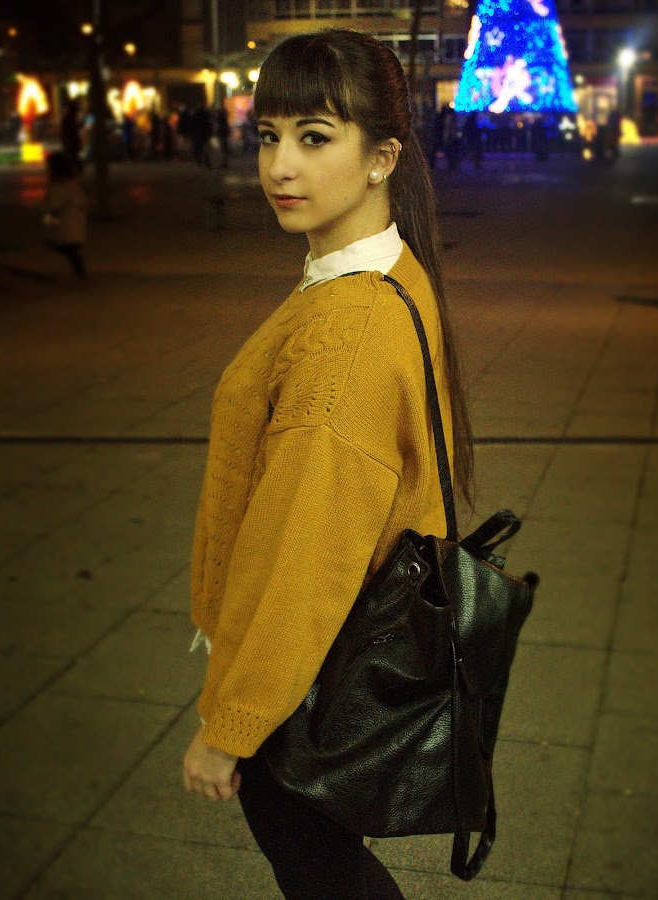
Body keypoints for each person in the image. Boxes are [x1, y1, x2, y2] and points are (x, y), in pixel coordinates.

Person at [182, 29, 474, 899]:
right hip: (345, 661)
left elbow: (301, 559)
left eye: (315, 137)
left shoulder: (345, 335)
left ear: (383, 157)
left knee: (324, 875)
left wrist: (231, 724)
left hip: (308, 684)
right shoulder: (381, 275)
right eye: (268, 134)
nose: (281, 166)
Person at [42, 150, 87, 279]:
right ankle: (80, 272)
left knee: (64, 246)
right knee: (71, 249)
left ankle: (80, 272)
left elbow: (54, 205)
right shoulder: (73, 182)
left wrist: (46, 217)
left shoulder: (59, 185)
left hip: (65, 222)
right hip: (74, 220)